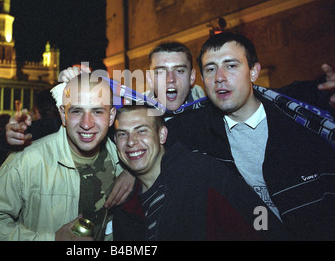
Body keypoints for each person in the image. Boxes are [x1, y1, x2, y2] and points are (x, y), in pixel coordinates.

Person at [165, 32, 335, 240]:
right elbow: (153, 142)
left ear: (254, 72)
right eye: (210, 69)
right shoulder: (194, 132)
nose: (219, 77)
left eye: (231, 66)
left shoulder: (301, 116)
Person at [0, 75, 125, 241]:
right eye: (76, 111)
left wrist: (131, 173)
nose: (86, 123)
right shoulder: (28, 161)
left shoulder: (123, 161)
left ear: (111, 116)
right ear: (63, 115)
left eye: (97, 111)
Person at [112, 105, 285, 240]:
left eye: (141, 131)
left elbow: (262, 222)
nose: (131, 142)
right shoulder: (124, 208)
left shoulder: (203, 174)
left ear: (162, 135)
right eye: (122, 134)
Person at [145, 42, 205, 117]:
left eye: (179, 71)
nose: (170, 79)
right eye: (161, 72)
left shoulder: (212, 114)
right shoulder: (134, 117)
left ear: (192, 76)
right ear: (150, 79)